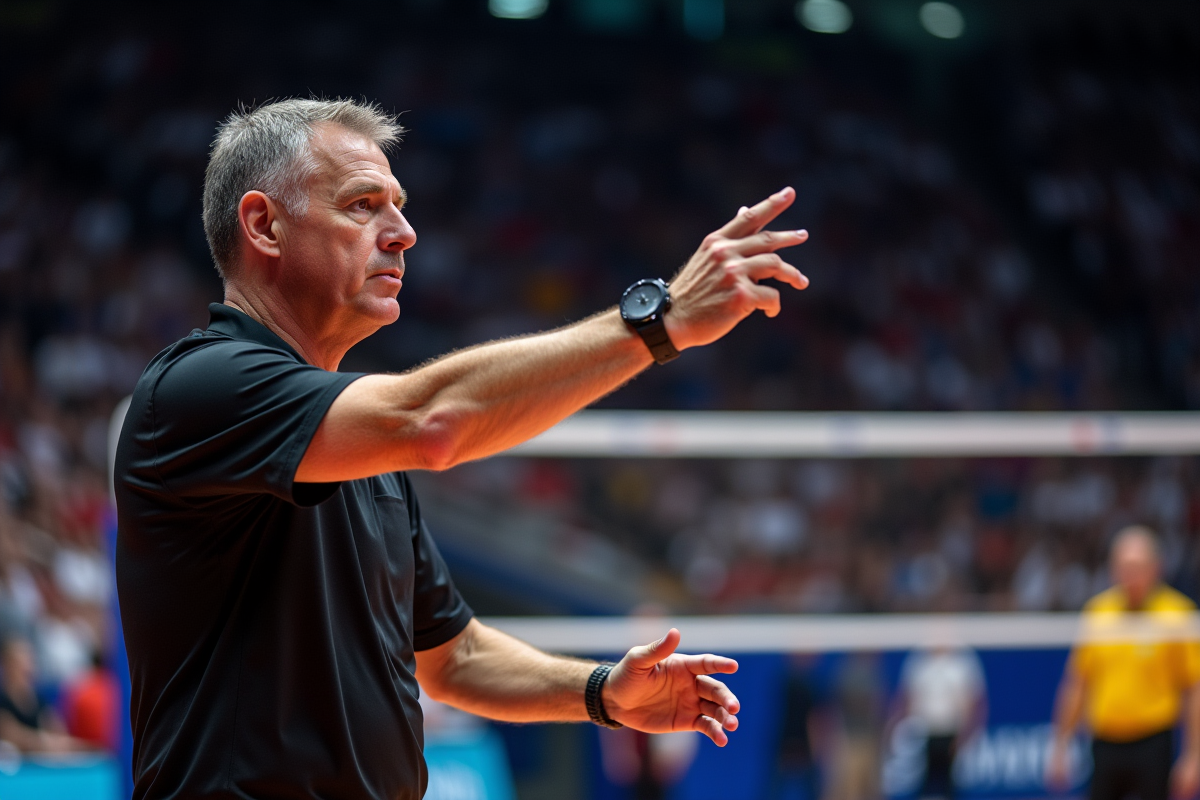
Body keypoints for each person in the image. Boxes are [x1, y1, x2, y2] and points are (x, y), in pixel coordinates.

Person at [114, 98, 811, 800]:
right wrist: (661, 323)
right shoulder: (197, 388)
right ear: (264, 224)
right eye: (363, 205)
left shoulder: (362, 446)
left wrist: (603, 692)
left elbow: (456, 658)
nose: (404, 233)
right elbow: (435, 421)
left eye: (400, 205)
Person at [1047, 526, 1200, 800]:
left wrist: (1193, 756)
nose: (1131, 576)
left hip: (1154, 741)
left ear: (1156, 567)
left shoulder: (1178, 615)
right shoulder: (1098, 613)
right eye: (1124, 567)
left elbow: (1194, 689)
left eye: (1138, 567)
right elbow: (1078, 683)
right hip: (1105, 742)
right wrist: (1060, 746)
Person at [894, 646, 987, 800]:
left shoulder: (962, 660)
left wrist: (965, 733)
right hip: (925, 731)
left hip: (950, 731)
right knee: (922, 780)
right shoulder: (918, 659)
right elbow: (907, 698)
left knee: (950, 782)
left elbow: (972, 702)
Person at [0, 636, 87, 753]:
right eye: (20, 662)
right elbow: (10, 735)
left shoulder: (40, 701)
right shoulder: (3, 701)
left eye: (29, 661)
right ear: (7, 665)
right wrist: (42, 742)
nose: (27, 667)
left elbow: (59, 733)